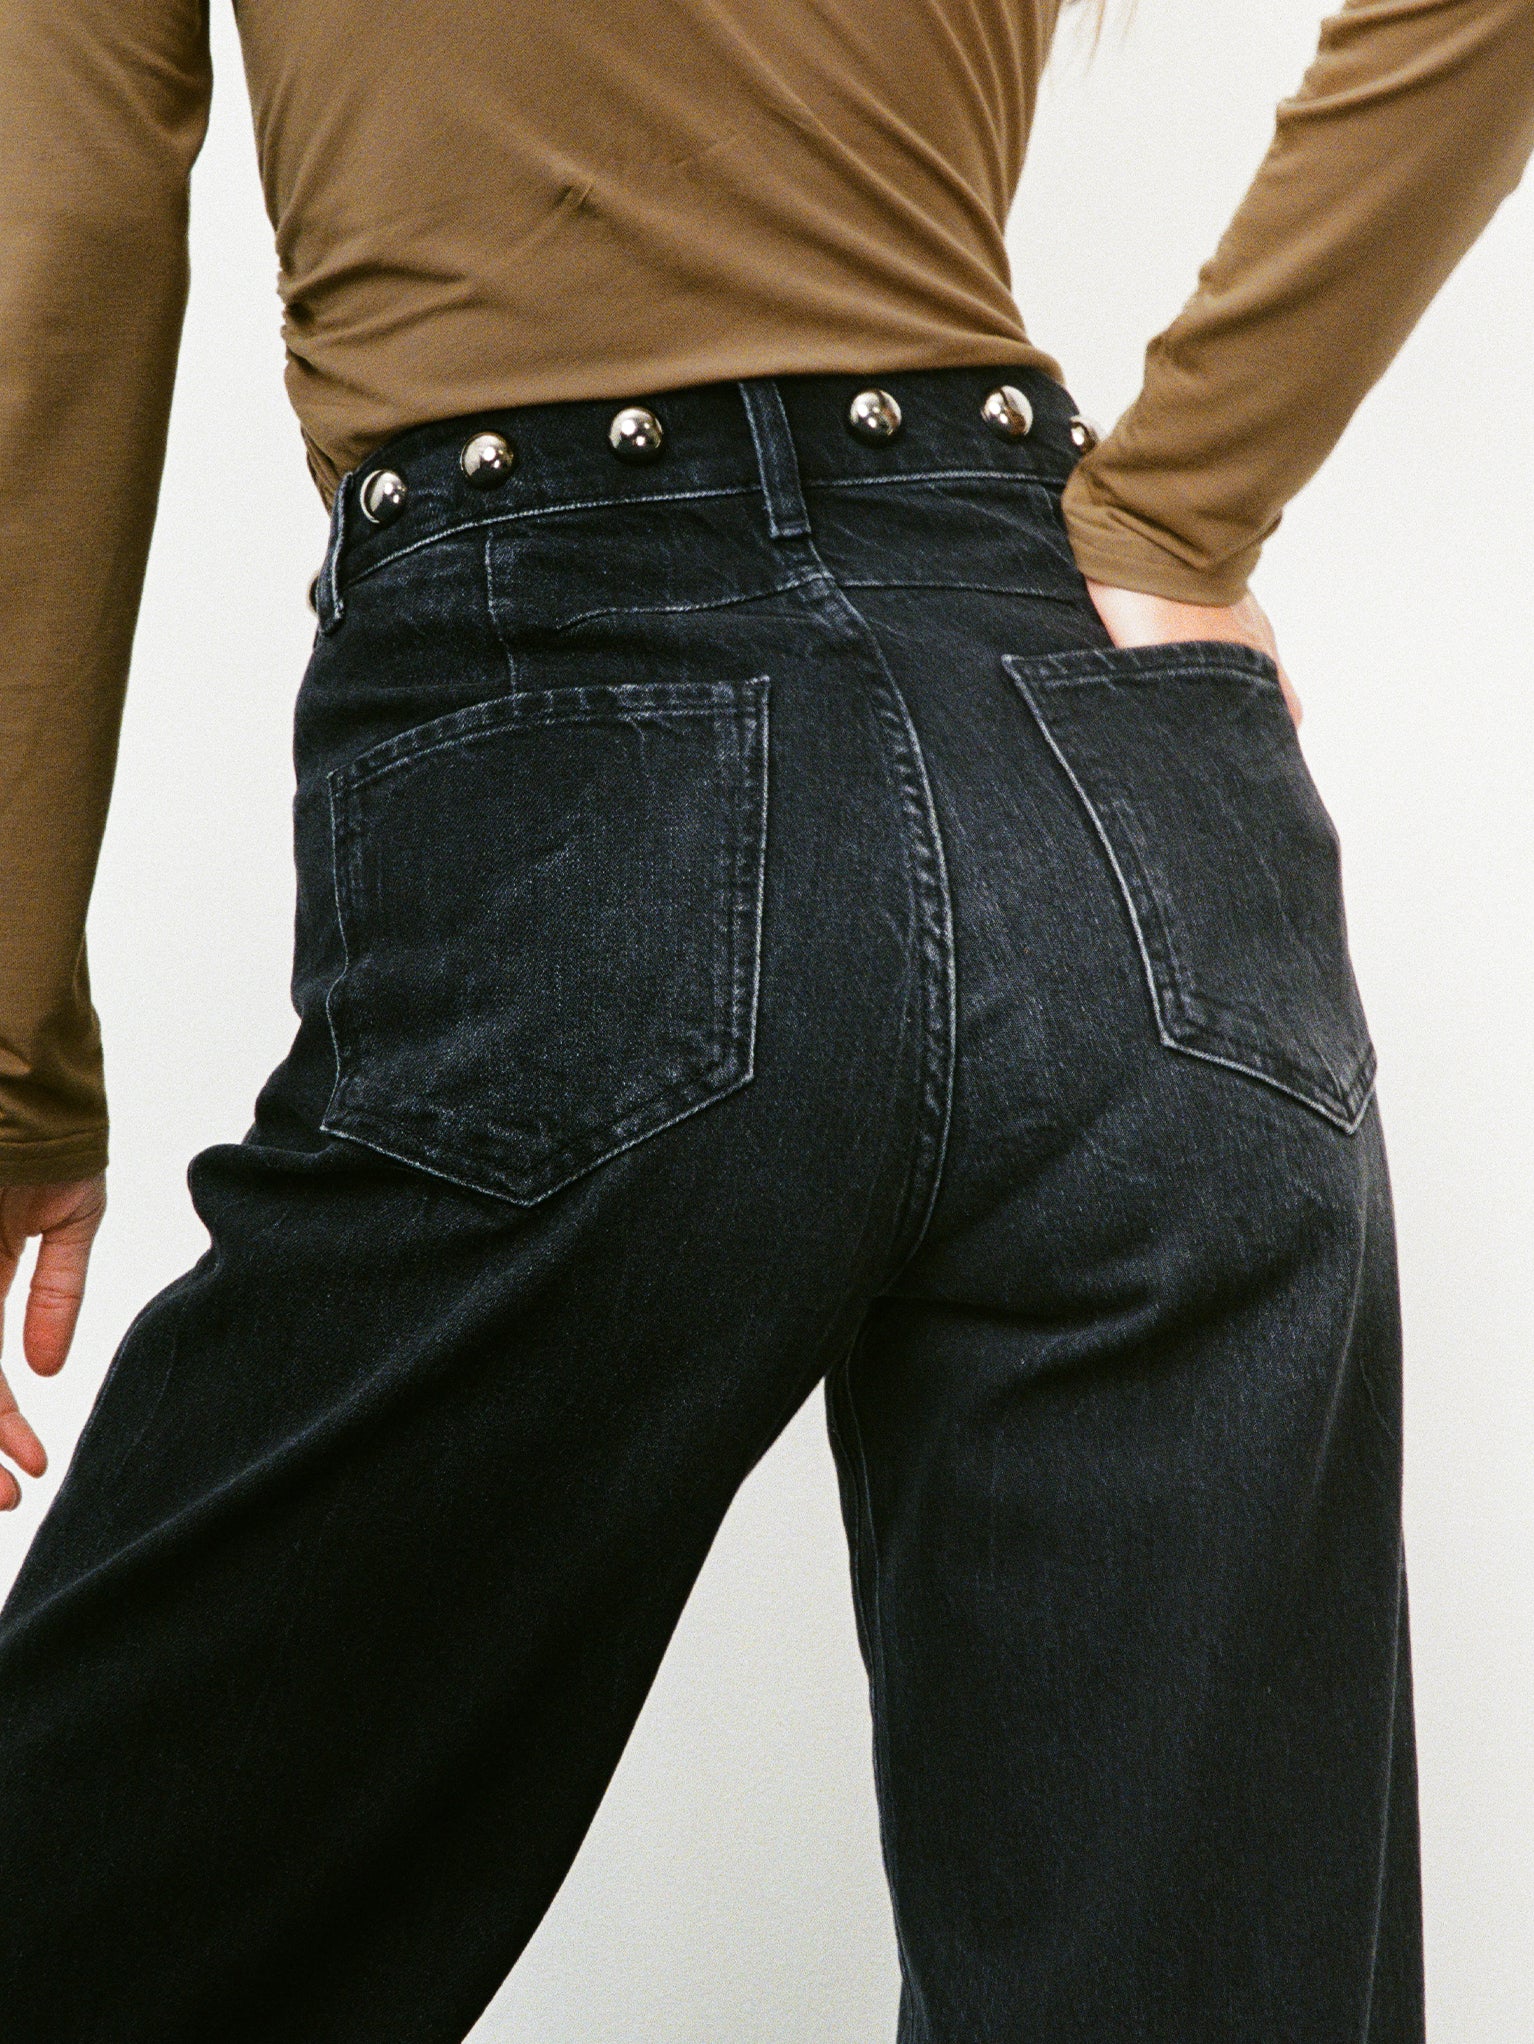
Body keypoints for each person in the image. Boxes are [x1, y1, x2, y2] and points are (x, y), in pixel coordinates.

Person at [1, 0, 1531, 2034]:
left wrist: (14, 1059)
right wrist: (1185, 505)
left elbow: (51, 260)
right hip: (1114, 776)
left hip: (576, 780)